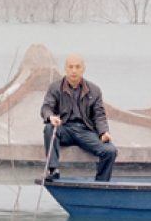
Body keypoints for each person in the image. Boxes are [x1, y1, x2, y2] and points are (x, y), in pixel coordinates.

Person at [41, 54, 121, 182]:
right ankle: (53, 169)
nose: (74, 70)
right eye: (70, 67)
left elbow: (99, 115)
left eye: (77, 67)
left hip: (85, 131)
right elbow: (46, 107)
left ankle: (101, 184)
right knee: (49, 128)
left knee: (110, 151)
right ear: (65, 69)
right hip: (64, 128)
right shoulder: (55, 88)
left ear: (83, 69)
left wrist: (104, 132)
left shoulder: (94, 90)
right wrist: (51, 117)